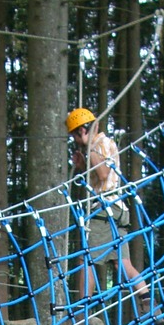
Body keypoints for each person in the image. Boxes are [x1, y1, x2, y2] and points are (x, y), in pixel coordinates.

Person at [66, 107, 149, 303]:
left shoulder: (98, 144)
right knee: (122, 263)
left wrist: (87, 147)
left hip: (104, 210)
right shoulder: (103, 144)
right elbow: (102, 174)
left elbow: (103, 174)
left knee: (86, 259)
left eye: (75, 136)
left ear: (82, 131)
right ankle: (148, 303)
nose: (75, 141)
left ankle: (81, 312)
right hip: (117, 208)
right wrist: (83, 164)